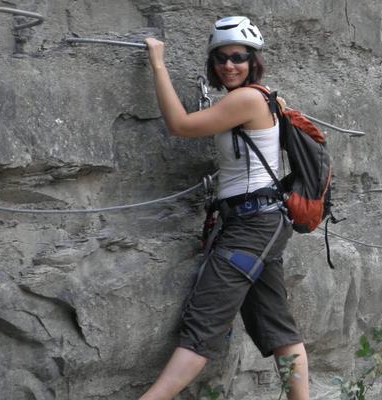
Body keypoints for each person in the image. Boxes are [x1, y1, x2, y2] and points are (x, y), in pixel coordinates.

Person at [139, 16, 309, 400]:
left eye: (238, 57)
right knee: (278, 328)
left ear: (253, 61)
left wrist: (159, 63)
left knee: (204, 323)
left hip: (253, 226)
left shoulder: (247, 98)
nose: (228, 65)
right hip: (257, 222)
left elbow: (180, 125)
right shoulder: (259, 98)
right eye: (220, 58)